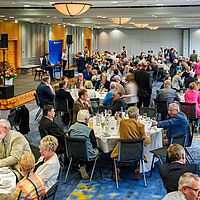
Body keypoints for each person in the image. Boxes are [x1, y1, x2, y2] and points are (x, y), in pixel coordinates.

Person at [111, 106, 150, 179]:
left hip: (123, 150)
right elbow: (145, 141)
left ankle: (117, 169)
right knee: (138, 146)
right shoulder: (141, 125)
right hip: (136, 151)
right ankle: (136, 169)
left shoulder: (122, 123)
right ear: (136, 116)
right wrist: (148, 138)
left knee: (116, 150)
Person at [68, 110, 99, 180]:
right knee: (98, 150)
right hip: (88, 155)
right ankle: (86, 168)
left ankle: (82, 165)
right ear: (85, 120)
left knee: (81, 149)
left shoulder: (71, 128)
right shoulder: (89, 130)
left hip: (73, 153)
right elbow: (94, 145)